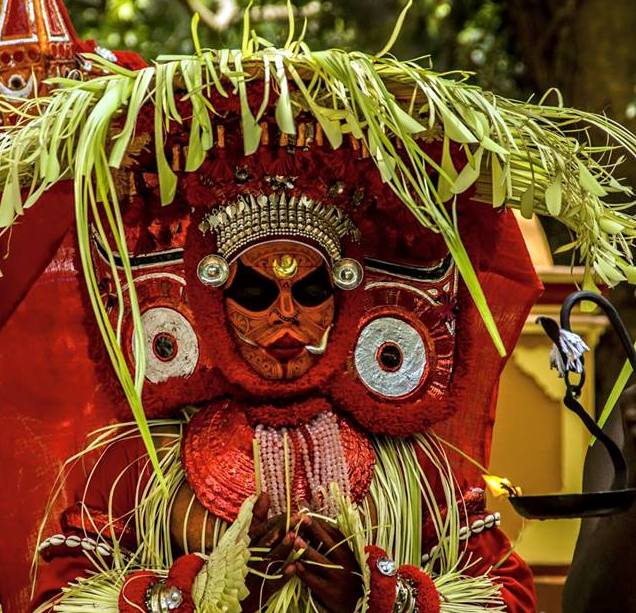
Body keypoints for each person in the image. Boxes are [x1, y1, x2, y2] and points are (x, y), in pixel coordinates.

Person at [1, 4, 635, 612]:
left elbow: (503, 595)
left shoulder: (411, 462)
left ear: (345, 301)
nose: (286, 314)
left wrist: (377, 593)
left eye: (309, 292)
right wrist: (199, 591)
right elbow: (63, 594)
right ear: (210, 302)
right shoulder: (146, 460)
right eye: (255, 292)